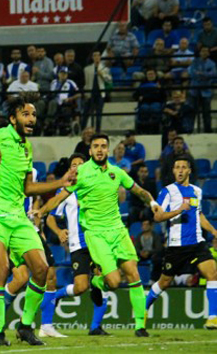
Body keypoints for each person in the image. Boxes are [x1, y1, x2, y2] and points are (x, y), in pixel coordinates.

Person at [0, 95, 78, 346]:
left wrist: (60, 183)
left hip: (17, 216)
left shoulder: (27, 148)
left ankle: (24, 327)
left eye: (33, 115)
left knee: (41, 269)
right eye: (26, 114)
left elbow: (28, 187)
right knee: (2, 268)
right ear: (13, 118)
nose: (31, 119)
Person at [34, 133, 162, 338]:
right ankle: (97, 283)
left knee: (133, 273)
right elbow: (59, 198)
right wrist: (42, 212)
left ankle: (140, 326)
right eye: (96, 146)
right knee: (112, 282)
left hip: (118, 231)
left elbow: (138, 190)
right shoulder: (81, 173)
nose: (100, 149)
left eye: (103, 146)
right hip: (95, 235)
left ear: (108, 149)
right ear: (90, 150)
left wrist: (153, 203)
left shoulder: (116, 172)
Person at [43, 153, 110, 336]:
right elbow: (50, 218)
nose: (78, 167)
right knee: (80, 287)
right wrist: (58, 231)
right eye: (74, 165)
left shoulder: (96, 185)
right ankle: (56, 296)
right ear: (70, 169)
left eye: (82, 164)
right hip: (78, 244)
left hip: (98, 241)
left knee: (102, 281)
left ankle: (95, 327)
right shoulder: (66, 191)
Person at [147, 156, 217, 329]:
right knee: (164, 282)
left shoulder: (196, 191)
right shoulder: (167, 192)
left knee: (213, 274)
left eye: (183, 167)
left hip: (197, 243)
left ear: (189, 171)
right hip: (177, 246)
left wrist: (213, 231)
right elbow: (157, 217)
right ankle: (143, 308)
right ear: (173, 171)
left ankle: (213, 317)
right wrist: (178, 210)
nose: (179, 170)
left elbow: (199, 215)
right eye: (176, 167)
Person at [188, 46, 216, 133]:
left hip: (206, 91)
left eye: (206, 51)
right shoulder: (195, 62)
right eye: (202, 51)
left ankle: (208, 130)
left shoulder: (212, 63)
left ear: (208, 53)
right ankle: (189, 130)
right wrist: (205, 75)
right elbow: (192, 73)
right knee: (192, 112)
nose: (204, 53)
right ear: (200, 53)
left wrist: (201, 74)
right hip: (194, 90)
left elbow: (214, 74)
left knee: (206, 113)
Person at [82, 51, 111, 132]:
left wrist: (102, 74)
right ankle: (82, 129)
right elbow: (86, 82)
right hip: (90, 92)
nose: (96, 57)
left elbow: (109, 80)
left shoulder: (105, 69)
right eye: (95, 56)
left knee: (99, 113)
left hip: (100, 93)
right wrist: (86, 93)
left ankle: (98, 130)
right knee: (86, 112)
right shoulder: (87, 69)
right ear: (92, 57)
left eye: (98, 55)